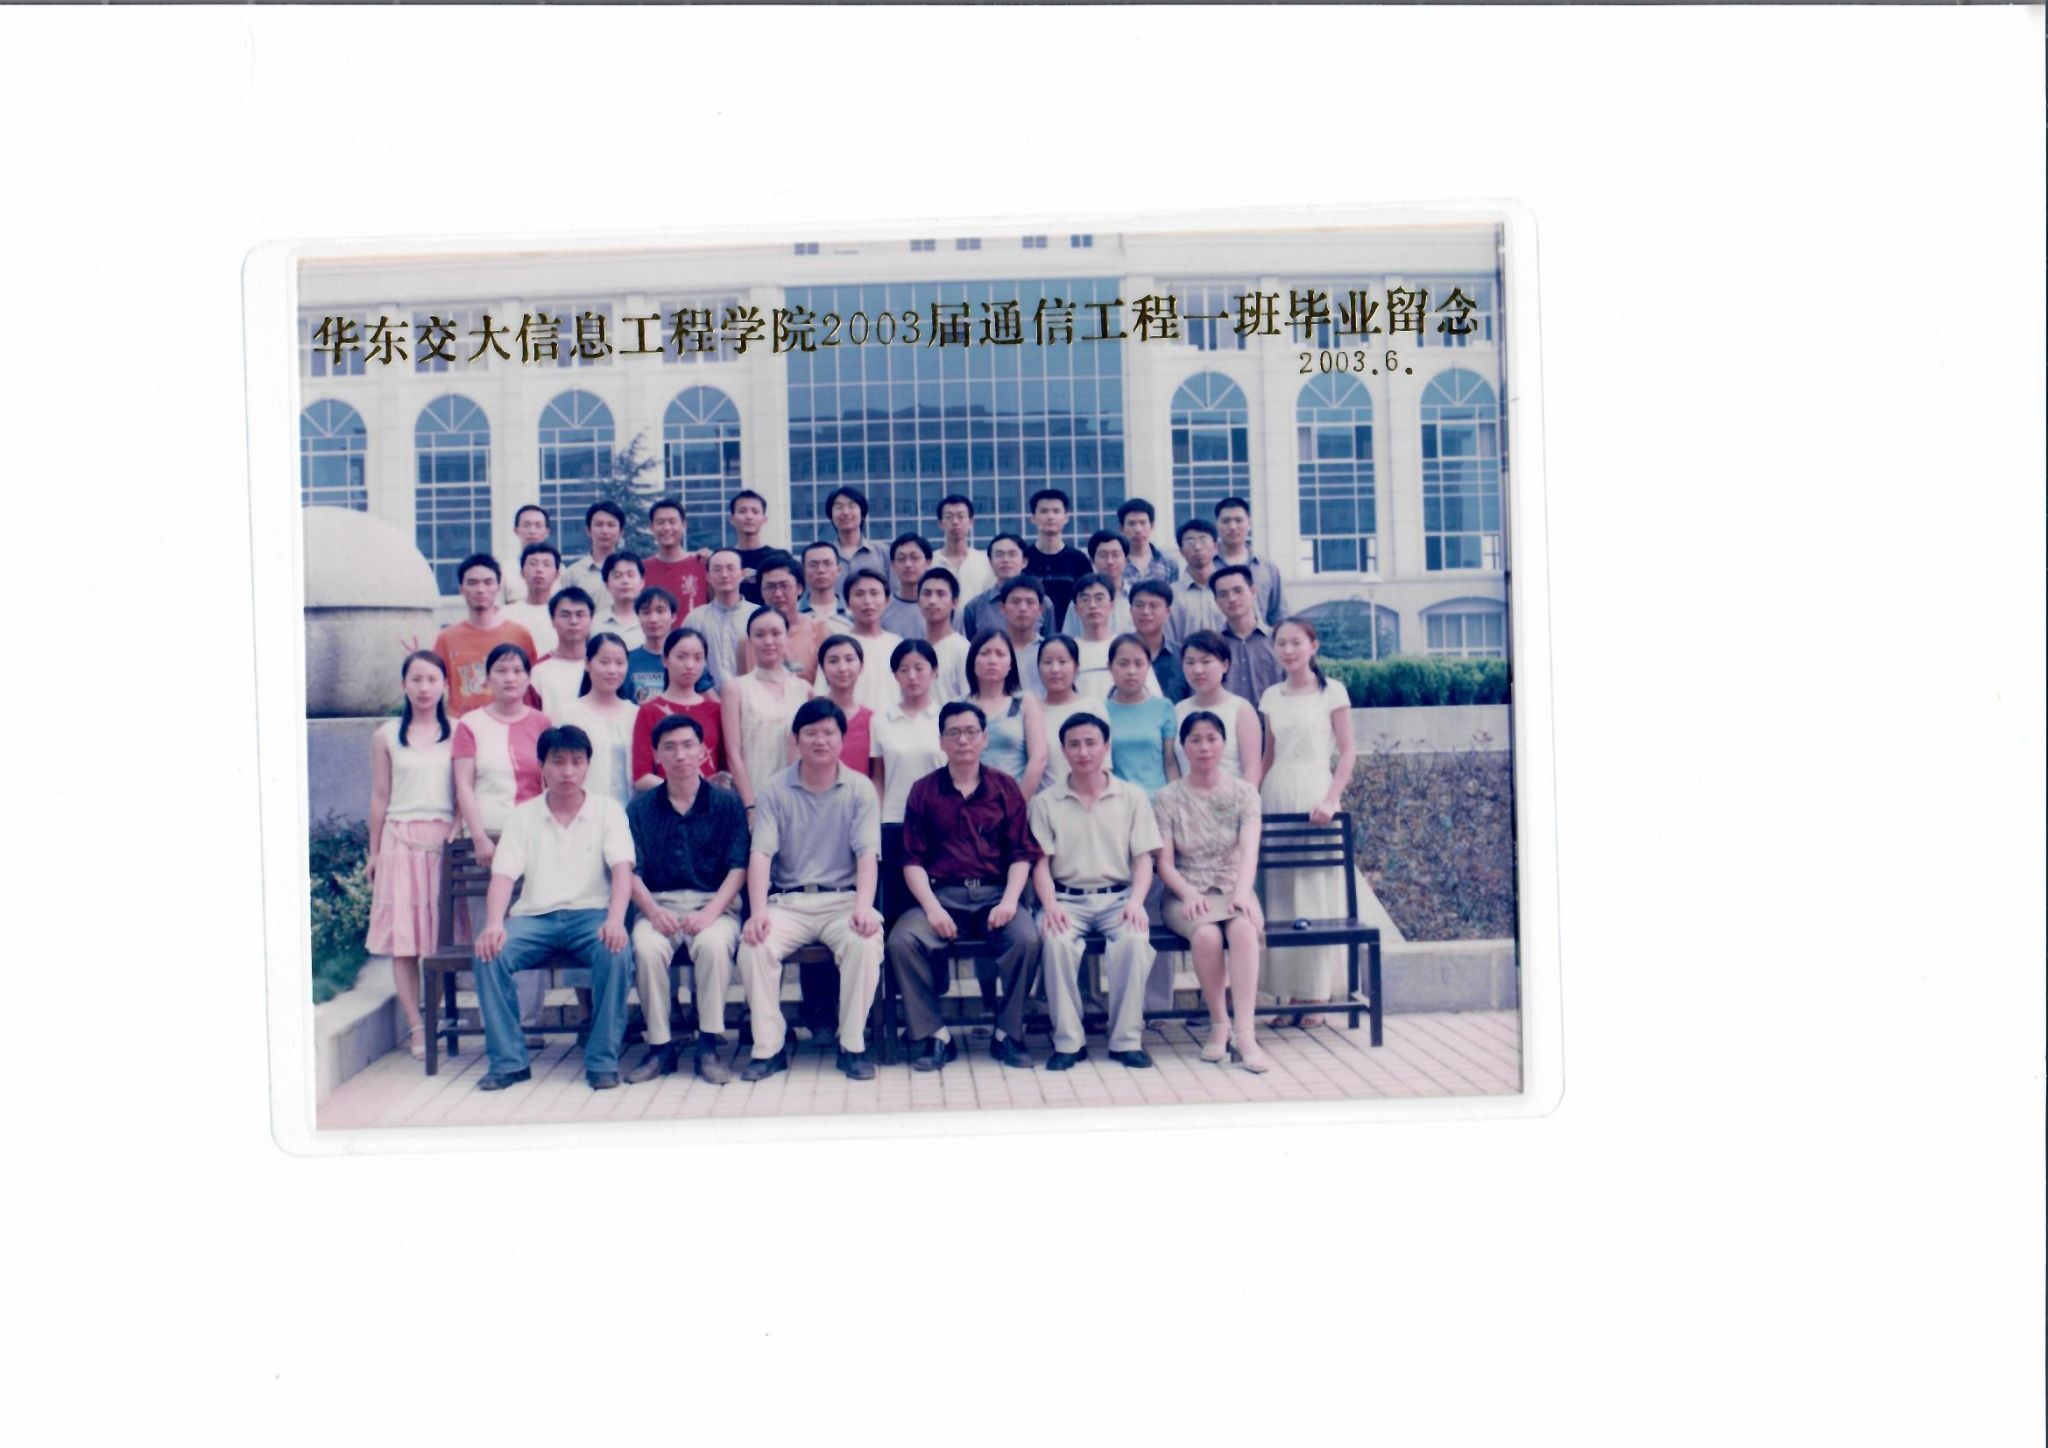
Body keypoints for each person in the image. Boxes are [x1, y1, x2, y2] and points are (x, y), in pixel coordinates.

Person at [469, 725, 637, 1092]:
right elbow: (503, 876)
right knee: (489, 954)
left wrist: (615, 920)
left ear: (588, 765)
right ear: (542, 766)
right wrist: (494, 923)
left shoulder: (608, 811)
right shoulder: (523, 816)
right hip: (535, 918)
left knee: (616, 952)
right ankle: (509, 1062)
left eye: (577, 762)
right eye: (558, 762)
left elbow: (622, 870)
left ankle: (602, 1060)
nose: (568, 771)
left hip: (591, 916)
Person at [887, 700, 1042, 1072]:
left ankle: (1008, 1033)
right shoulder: (924, 791)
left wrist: (1010, 901)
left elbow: (1021, 854)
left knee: (1027, 939)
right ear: (941, 741)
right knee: (902, 941)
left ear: (985, 738)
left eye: (971, 732)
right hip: (943, 896)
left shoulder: (1005, 788)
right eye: (954, 733)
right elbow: (912, 860)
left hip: (995, 895)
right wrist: (932, 908)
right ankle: (936, 1035)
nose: (963, 741)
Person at [738, 700, 887, 1082]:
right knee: (755, 946)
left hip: (843, 899)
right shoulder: (774, 789)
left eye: (828, 733)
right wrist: (758, 912)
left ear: (842, 739)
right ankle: (768, 1048)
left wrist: (864, 907)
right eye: (811, 733)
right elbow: (761, 854)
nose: (820, 741)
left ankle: (851, 1045)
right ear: (796, 739)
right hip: (789, 901)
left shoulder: (860, 789)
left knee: (865, 943)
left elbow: (867, 855)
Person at [1029, 713, 1161, 1071]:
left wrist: (1137, 902)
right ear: (1063, 750)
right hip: (1065, 900)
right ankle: (1068, 1042)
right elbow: (1040, 863)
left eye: (1091, 743)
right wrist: (1050, 905)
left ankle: (1126, 1041)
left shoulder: (1132, 797)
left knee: (1134, 941)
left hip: (1119, 899)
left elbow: (1144, 858)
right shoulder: (1045, 802)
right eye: (1074, 744)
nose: (1083, 751)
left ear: (1106, 747)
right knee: (1055, 943)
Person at [622, 715, 748, 1086]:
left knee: (712, 946)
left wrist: (710, 912)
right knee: (647, 949)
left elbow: (738, 867)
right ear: (656, 755)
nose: (680, 755)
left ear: (703, 751)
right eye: (670, 747)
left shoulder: (727, 804)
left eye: (688, 745)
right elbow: (629, 869)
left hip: (715, 904)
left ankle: (708, 1046)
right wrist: (651, 910)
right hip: (658, 904)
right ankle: (660, 1047)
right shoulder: (640, 809)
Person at [1154, 711, 1272, 1072]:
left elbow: (1249, 850)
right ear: (1183, 747)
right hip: (1186, 893)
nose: (1204, 747)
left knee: (1244, 929)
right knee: (1206, 935)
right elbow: (1165, 864)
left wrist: (1243, 893)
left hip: (1234, 887)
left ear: (1223, 744)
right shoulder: (1168, 797)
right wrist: (1189, 894)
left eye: (1211, 739)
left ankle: (1245, 1032)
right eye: (1195, 740)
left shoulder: (1244, 793)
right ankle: (1219, 1023)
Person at [1258, 618, 1359, 1029]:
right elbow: (1268, 756)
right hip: (1277, 793)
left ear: (1313, 646)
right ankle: (1289, 995)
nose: (1288, 650)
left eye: (1296, 642)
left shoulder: (1332, 692)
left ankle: (1316, 995)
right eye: (1281, 643)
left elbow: (1348, 752)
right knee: (1280, 896)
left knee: (1315, 896)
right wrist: (1249, 798)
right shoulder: (1270, 696)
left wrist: (1331, 799)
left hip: (1316, 792)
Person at [366, 651, 456, 1062]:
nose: (424, 688)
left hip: (442, 843)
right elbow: (380, 795)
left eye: (432, 679)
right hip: (399, 843)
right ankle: (416, 1025)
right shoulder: (386, 736)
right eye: (416, 679)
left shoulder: (458, 731)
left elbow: (464, 789)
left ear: (444, 685)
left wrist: (458, 828)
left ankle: (434, 1020)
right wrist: (374, 851)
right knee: (405, 943)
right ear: (404, 685)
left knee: (438, 941)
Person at [721, 606, 804, 815]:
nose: (768, 641)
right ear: (749, 641)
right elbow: (733, 754)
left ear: (787, 637)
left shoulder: (804, 690)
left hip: (797, 802)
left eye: (776, 633)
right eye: (760, 635)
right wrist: (750, 805)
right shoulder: (736, 689)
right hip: (755, 800)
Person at [433, 554, 538, 718]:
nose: (480, 590)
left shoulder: (519, 635)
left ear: (498, 587)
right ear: (461, 588)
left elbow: (532, 689)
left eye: (488, 582)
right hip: (462, 725)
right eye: (472, 583)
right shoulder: (446, 638)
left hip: (509, 724)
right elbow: (434, 686)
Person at [631, 625, 725, 790]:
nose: (690, 665)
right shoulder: (649, 711)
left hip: (710, 802)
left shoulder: (716, 711)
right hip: (665, 802)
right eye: (681, 657)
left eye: (698, 658)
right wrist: (684, 791)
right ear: (665, 660)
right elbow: (641, 776)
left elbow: (725, 768)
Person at [555, 632, 638, 809]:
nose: (612, 670)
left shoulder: (635, 715)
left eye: (619, 663)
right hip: (582, 813)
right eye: (604, 662)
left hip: (629, 814)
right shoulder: (568, 714)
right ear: (587, 664)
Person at [869, 639, 945, 830]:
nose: (912, 676)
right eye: (904, 670)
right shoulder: (881, 721)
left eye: (919, 668)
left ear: (934, 671)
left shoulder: (947, 719)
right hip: (895, 819)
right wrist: (877, 818)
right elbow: (878, 777)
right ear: (895, 675)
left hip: (940, 819)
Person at [964, 630, 1048, 799]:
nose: (992, 660)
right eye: (985, 653)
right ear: (972, 661)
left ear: (1011, 664)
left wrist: (1017, 804)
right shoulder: (960, 705)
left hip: (1014, 801)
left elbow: (1038, 758)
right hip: (968, 805)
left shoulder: (1025, 702)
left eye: (1000, 654)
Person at [1173, 631, 1265, 783]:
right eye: (1190, 662)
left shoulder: (1241, 710)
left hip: (1232, 796)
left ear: (1225, 665)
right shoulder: (1177, 711)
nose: (1197, 670)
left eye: (1206, 662)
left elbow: (1252, 771)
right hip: (1185, 796)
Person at [811, 569, 903, 716]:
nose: (867, 601)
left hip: (890, 725)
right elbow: (821, 693)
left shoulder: (897, 644)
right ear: (847, 603)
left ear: (887, 601)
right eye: (859, 594)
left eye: (874, 593)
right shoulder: (836, 647)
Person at [1102, 635, 1179, 797]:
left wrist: (1176, 801)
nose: (1131, 671)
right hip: (1118, 800)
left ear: (1148, 666)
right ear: (1110, 667)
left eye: (1138, 664)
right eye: (1123, 664)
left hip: (1158, 800)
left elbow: (1170, 763)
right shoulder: (1101, 711)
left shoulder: (1163, 707)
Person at [738, 551, 828, 683]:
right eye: (770, 587)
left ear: (799, 588)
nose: (778, 594)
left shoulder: (819, 632)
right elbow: (742, 687)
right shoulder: (747, 640)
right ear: (761, 591)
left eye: (784, 586)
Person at [1211, 563, 1283, 710]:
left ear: (1253, 592)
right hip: (1226, 721)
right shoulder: (1212, 646)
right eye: (1223, 594)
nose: (1232, 599)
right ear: (1217, 602)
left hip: (1273, 721)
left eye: (1238, 591)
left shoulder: (1277, 640)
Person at [1022, 487, 1091, 631]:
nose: (1050, 516)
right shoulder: (1023, 558)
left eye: (1056, 511)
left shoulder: (1078, 560)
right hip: (1031, 634)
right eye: (1044, 511)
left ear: (1066, 517)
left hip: (1071, 634)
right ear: (1033, 518)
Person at [1214, 496, 1287, 628]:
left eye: (1238, 520)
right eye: (1226, 521)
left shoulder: (1267, 568)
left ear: (1249, 523)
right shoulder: (1207, 567)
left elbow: (1279, 616)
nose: (1232, 526)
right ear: (1217, 525)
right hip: (1216, 640)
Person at [682, 548, 750, 690]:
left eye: (730, 568)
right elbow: (685, 661)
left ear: (742, 574)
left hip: (750, 698)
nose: (724, 575)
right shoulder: (695, 619)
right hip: (706, 699)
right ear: (708, 577)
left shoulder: (756, 616)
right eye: (717, 569)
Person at [960, 532, 1048, 642]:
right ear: (990, 562)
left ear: (1024, 562)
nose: (1005, 560)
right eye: (999, 555)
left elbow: (1050, 644)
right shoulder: (974, 607)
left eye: (1012, 554)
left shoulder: (1043, 603)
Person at [1035, 635, 1091, 791]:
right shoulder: (1031, 711)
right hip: (1044, 801)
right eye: (1047, 662)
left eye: (1062, 661)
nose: (1055, 669)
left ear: (1076, 667)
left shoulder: (1091, 707)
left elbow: (1104, 764)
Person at [531, 587, 595, 719]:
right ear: (552, 621)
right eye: (565, 615)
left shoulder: (602, 666)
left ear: (591, 619)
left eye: (580, 614)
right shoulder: (538, 671)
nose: (573, 621)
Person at [642, 498, 712, 617]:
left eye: (672, 521)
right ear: (652, 527)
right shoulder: (641, 569)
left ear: (684, 525)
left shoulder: (702, 564)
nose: (667, 528)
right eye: (660, 522)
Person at [816, 635, 874, 773]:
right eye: (833, 661)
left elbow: (877, 774)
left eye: (849, 660)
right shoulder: (810, 715)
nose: (842, 668)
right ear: (823, 668)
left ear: (861, 666)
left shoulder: (872, 720)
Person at [1067, 572, 1130, 700]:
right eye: (1085, 599)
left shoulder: (1128, 649)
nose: (1092, 605)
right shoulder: (1068, 652)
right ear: (1076, 609)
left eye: (1099, 598)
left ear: (1112, 605)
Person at [1166, 517, 1225, 651]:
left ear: (1215, 547)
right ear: (1181, 551)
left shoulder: (1230, 590)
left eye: (1203, 540)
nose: (1197, 547)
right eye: (1190, 542)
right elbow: (1169, 641)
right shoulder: (1172, 594)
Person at [1128, 579, 1190, 703]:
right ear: (1131, 610)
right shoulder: (1117, 653)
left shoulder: (1183, 656)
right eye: (1139, 605)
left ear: (1167, 612)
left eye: (1153, 606)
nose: (1145, 612)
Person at [914, 566, 968, 701]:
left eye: (941, 594)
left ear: (955, 602)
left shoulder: (963, 650)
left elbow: (969, 698)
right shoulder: (913, 648)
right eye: (927, 594)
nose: (932, 601)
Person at [561, 501, 628, 604]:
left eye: (611, 525)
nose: (605, 531)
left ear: (621, 533)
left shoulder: (630, 573)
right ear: (588, 531)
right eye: (599, 524)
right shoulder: (573, 574)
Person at [501, 542, 560, 658]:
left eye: (546, 564)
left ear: (557, 574)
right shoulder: (505, 614)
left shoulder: (565, 614)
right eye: (533, 564)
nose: (539, 570)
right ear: (522, 573)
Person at [995, 575, 1050, 696]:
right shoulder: (993, 652)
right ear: (1002, 608)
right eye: (1015, 602)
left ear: (1040, 609)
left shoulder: (1048, 651)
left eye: (1030, 602)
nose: (1023, 608)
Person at [934, 494, 996, 600]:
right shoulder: (930, 562)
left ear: (971, 522)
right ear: (940, 523)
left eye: (961, 516)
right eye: (949, 517)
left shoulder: (986, 561)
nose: (955, 522)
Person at [624, 587, 678, 703]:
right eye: (646, 612)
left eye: (660, 611)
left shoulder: (686, 660)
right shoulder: (626, 660)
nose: (653, 619)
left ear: (673, 617)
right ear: (638, 617)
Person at [824, 485, 889, 580]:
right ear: (831, 516)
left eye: (851, 506)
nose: (845, 512)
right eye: (839, 507)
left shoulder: (883, 552)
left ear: (862, 514)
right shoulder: (824, 555)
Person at [881, 532, 933, 640]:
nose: (908, 564)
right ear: (893, 565)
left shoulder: (941, 607)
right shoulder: (882, 608)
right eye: (901, 559)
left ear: (928, 562)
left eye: (914, 558)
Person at [728, 489, 776, 603]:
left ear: (764, 519)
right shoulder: (723, 558)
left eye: (755, 511)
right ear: (732, 519)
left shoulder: (778, 558)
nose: (749, 516)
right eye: (742, 511)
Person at [1118, 498, 1179, 586]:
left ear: (1152, 526)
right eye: (1132, 523)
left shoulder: (1169, 563)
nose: (1138, 530)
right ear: (1122, 528)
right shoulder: (1115, 564)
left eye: (1143, 523)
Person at [1083, 530, 1136, 632]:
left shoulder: (1136, 598)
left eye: (1115, 555)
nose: (1110, 561)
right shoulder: (1081, 600)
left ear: (1126, 560)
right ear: (1092, 561)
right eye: (1103, 555)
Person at [500, 503, 553, 605]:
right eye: (526, 525)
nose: (532, 531)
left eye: (538, 526)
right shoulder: (504, 571)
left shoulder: (560, 571)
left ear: (547, 532)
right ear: (516, 530)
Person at [596, 551, 647, 651]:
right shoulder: (595, 623)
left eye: (630, 575)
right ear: (607, 585)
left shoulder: (652, 622)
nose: (625, 581)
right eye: (617, 576)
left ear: (642, 582)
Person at [799, 540, 851, 625]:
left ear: (838, 570)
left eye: (827, 563)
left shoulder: (853, 613)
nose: (821, 570)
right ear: (803, 571)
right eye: (813, 565)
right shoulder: (793, 614)